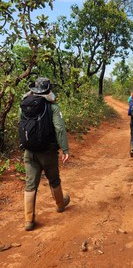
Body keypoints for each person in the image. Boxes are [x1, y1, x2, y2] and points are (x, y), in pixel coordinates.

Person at [20, 77, 70, 231]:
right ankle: (60, 205)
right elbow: (59, 129)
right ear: (48, 89)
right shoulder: (53, 107)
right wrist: (65, 149)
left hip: (29, 151)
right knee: (54, 179)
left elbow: (21, 126)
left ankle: (29, 220)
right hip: (48, 151)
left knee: (30, 184)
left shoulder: (24, 104)